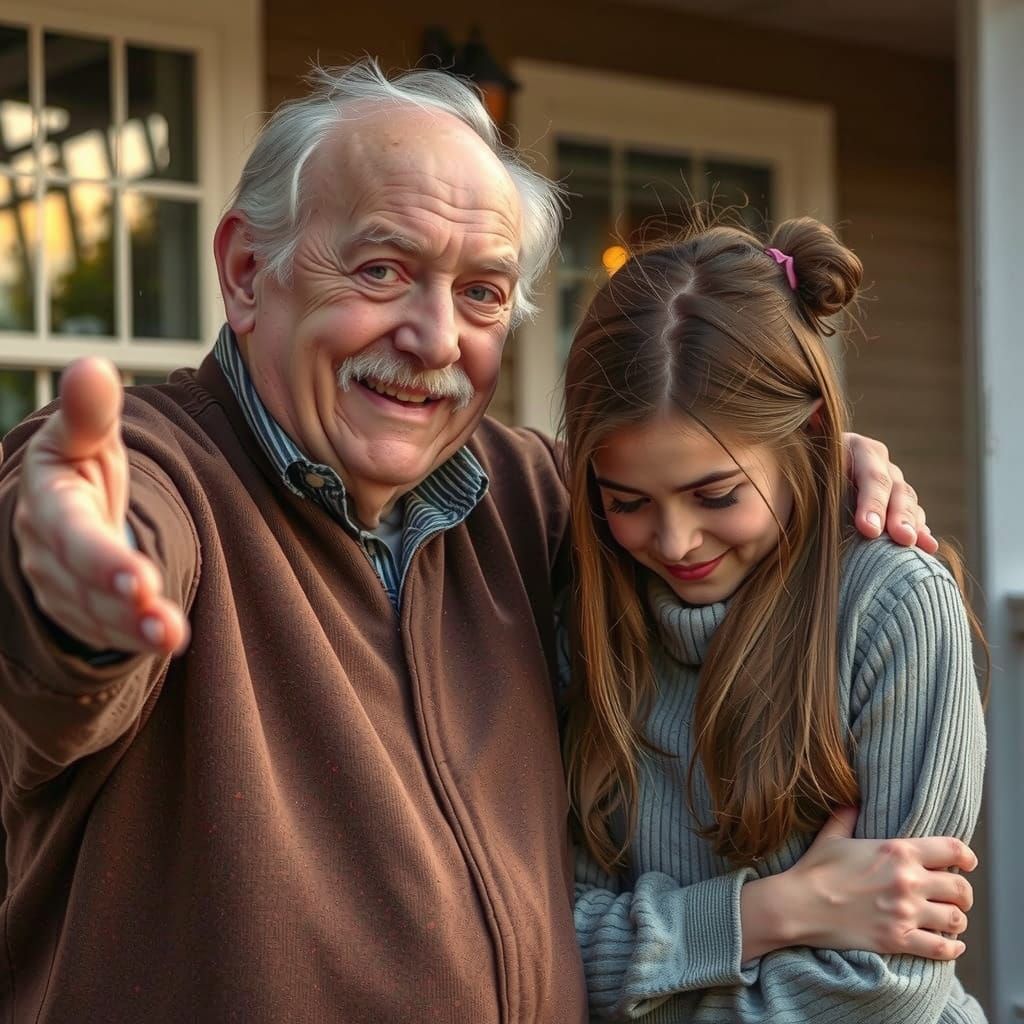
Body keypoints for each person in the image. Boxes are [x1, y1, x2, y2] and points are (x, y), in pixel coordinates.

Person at [0, 62, 974, 1023]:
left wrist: (818, 461)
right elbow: (63, 603)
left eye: (480, 292)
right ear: (249, 272)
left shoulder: (534, 499)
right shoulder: (151, 474)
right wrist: (70, 602)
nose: (432, 336)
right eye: (382, 269)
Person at [561, 217, 987, 1021]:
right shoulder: (579, 611)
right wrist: (766, 915)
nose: (676, 541)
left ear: (814, 435)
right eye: (627, 503)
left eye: (716, 495)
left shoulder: (895, 609)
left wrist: (645, 977)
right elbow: (547, 945)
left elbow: (885, 991)